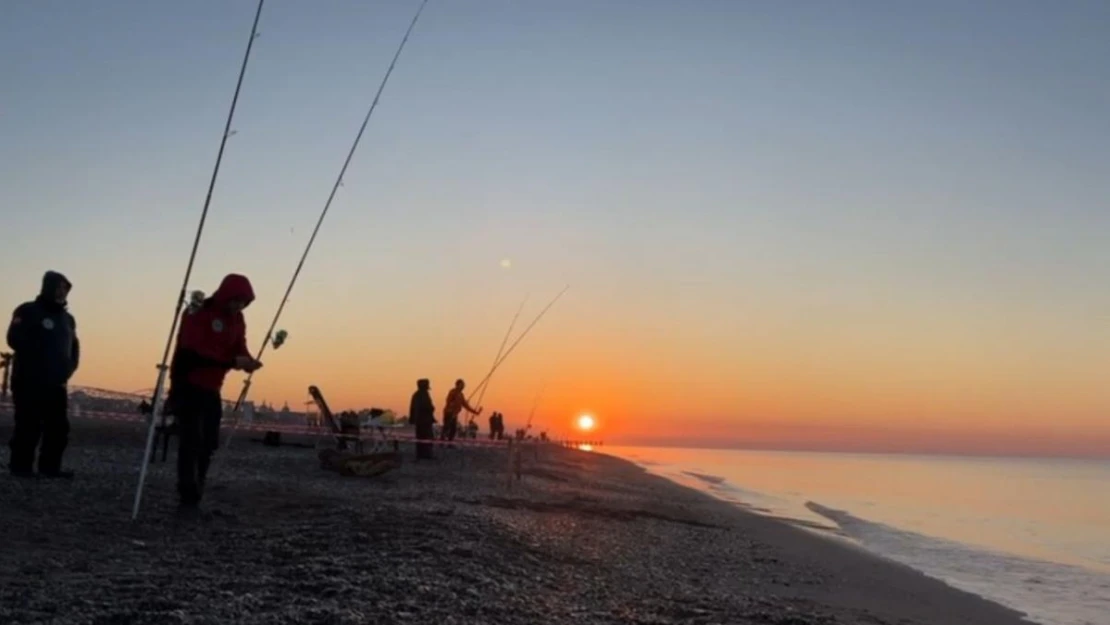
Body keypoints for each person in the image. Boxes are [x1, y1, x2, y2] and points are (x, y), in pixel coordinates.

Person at [166, 273, 261, 513]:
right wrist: (232, 361)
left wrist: (249, 361)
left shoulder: (238, 320)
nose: (239, 306)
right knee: (191, 440)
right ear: (225, 294)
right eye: (236, 300)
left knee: (208, 443)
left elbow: (240, 347)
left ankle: (197, 488)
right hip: (188, 384)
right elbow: (193, 351)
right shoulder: (199, 312)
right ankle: (187, 494)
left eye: (243, 302)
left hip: (212, 389)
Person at [5, 271, 80, 478]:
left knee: (58, 429)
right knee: (28, 426)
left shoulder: (68, 320)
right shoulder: (28, 310)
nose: (62, 292)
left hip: (56, 384)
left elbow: (74, 347)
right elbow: (14, 338)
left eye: (65, 289)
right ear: (48, 287)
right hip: (29, 381)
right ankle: (21, 467)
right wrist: (38, 357)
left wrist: (68, 368)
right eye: (58, 287)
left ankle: (50, 468)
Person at [408, 379, 435, 460]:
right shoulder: (423, 395)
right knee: (426, 437)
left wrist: (412, 419)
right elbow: (427, 407)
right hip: (424, 421)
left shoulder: (416, 395)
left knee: (420, 438)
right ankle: (425, 455)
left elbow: (412, 408)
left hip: (420, 420)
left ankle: (421, 454)